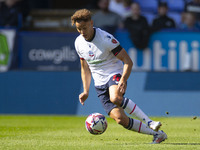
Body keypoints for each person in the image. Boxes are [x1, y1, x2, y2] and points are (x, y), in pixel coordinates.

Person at [71, 8, 167, 144]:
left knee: (115, 98)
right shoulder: (78, 43)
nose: (82, 32)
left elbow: (128, 61)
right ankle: (158, 134)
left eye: (84, 28)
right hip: (99, 83)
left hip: (114, 73)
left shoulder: (105, 39)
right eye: (79, 29)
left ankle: (149, 121)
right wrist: (86, 91)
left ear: (91, 23)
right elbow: (85, 68)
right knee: (121, 119)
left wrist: (123, 79)